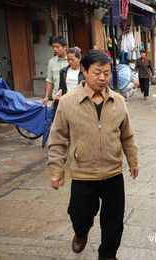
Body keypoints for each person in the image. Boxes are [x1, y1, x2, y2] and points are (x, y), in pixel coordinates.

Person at [47, 50, 139, 260]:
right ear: (84, 71)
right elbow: (58, 139)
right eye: (97, 73)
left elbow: (127, 135)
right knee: (80, 215)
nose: (102, 78)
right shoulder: (68, 102)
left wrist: (132, 160)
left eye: (106, 73)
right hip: (82, 173)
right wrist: (56, 169)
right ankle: (81, 232)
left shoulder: (118, 100)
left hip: (113, 172)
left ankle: (108, 255)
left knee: (114, 221)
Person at [42, 36, 69, 106]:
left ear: (65, 47)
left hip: (70, 97)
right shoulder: (51, 62)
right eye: (53, 47)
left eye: (57, 47)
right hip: (56, 98)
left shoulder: (71, 60)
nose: (55, 49)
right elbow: (49, 80)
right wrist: (46, 97)